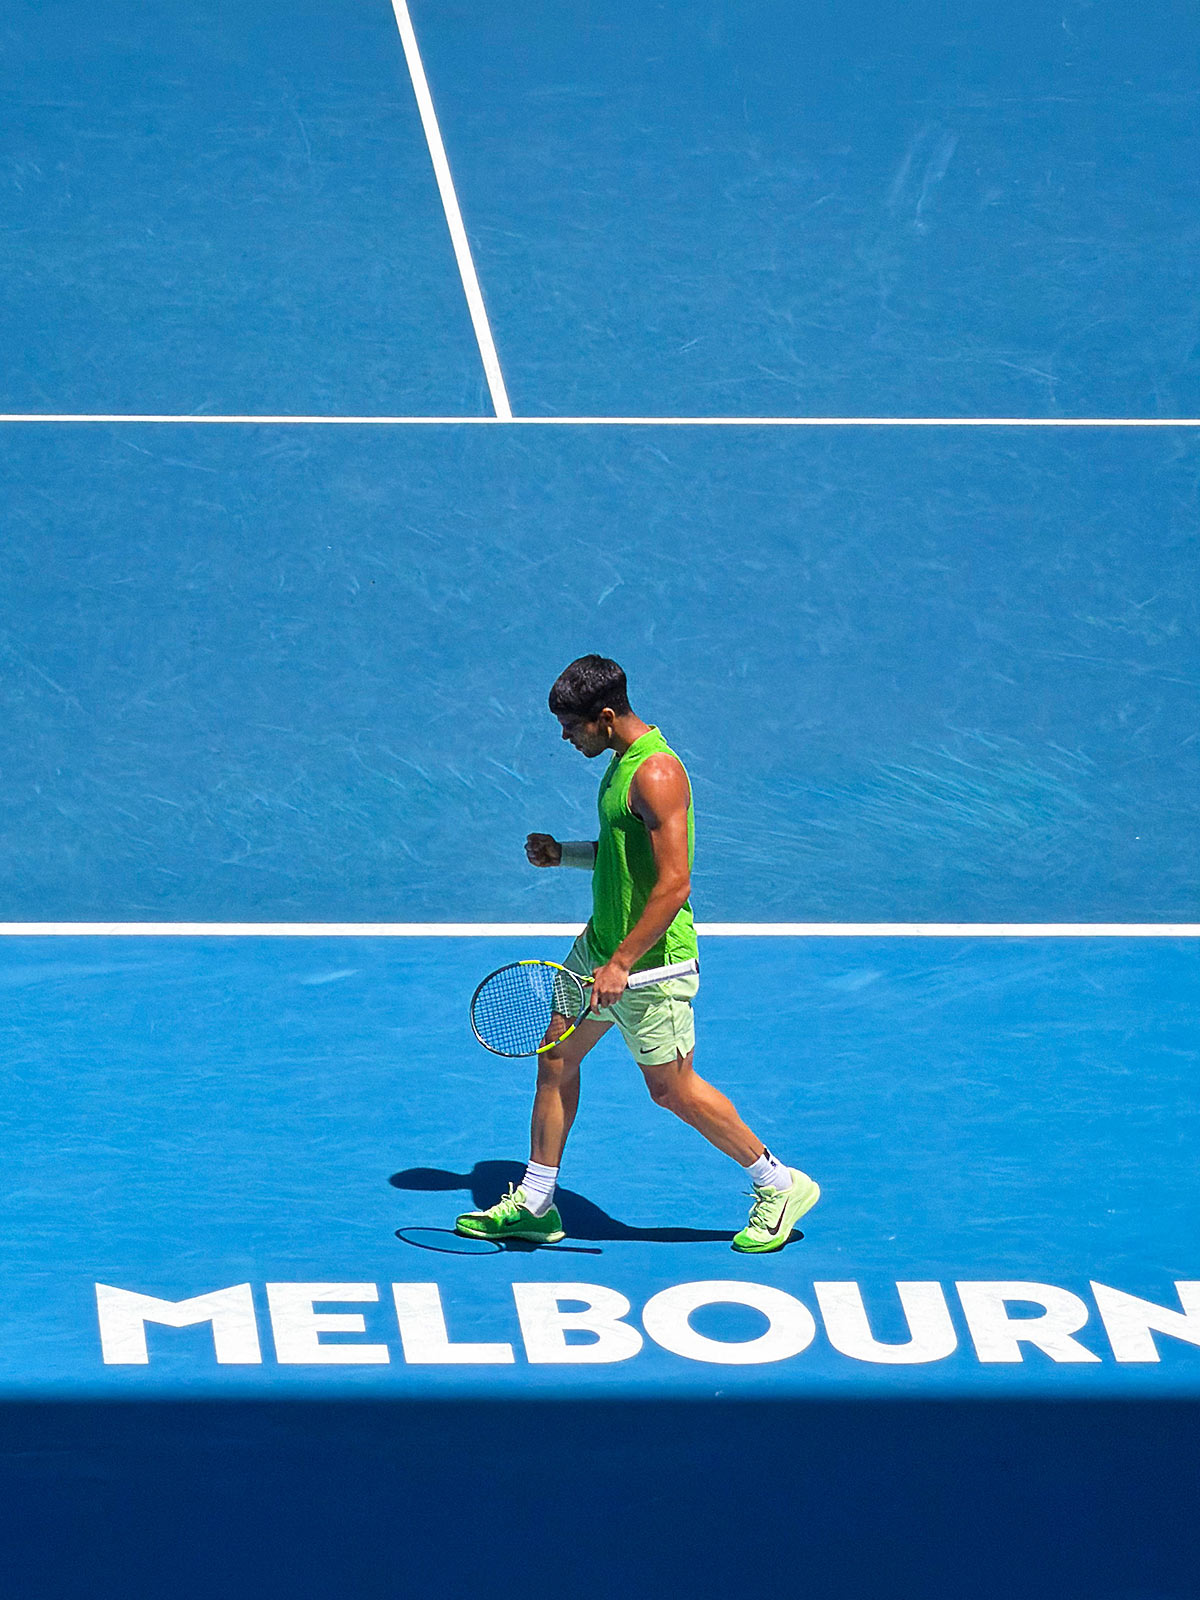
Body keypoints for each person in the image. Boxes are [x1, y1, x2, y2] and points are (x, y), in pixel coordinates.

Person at [456, 654, 819, 1253]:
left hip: (651, 966)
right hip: (598, 948)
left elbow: (675, 882)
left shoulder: (655, 773)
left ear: (604, 716)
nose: (565, 738)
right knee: (555, 1060)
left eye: (572, 727)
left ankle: (779, 1184)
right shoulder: (619, 762)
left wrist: (622, 962)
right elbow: (629, 855)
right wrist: (565, 854)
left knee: (671, 1089)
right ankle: (538, 1203)